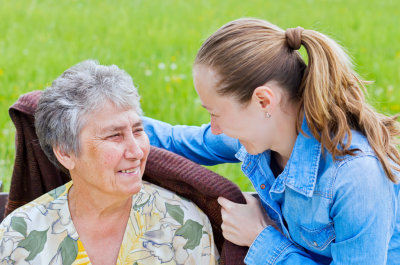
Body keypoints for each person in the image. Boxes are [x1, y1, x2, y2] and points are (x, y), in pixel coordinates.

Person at [143, 18, 400, 264]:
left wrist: (259, 238)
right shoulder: (259, 133)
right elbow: (175, 141)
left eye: (216, 113)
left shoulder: (355, 176)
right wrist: (114, 122)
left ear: (264, 101)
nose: (215, 128)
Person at [0, 60, 219, 264]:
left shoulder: (184, 224)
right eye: (115, 136)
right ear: (65, 153)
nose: (137, 151)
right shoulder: (19, 233)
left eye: (138, 130)